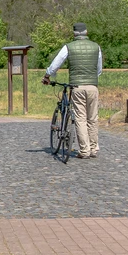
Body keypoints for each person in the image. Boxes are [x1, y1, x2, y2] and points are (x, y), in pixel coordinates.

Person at [42, 23, 103, 159]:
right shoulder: (96, 47)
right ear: (86, 32)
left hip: (77, 87)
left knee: (80, 118)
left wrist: (47, 75)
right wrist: (91, 78)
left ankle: (85, 150)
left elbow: (56, 63)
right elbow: (99, 69)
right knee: (93, 118)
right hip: (93, 86)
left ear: (74, 34)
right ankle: (93, 149)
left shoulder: (68, 47)